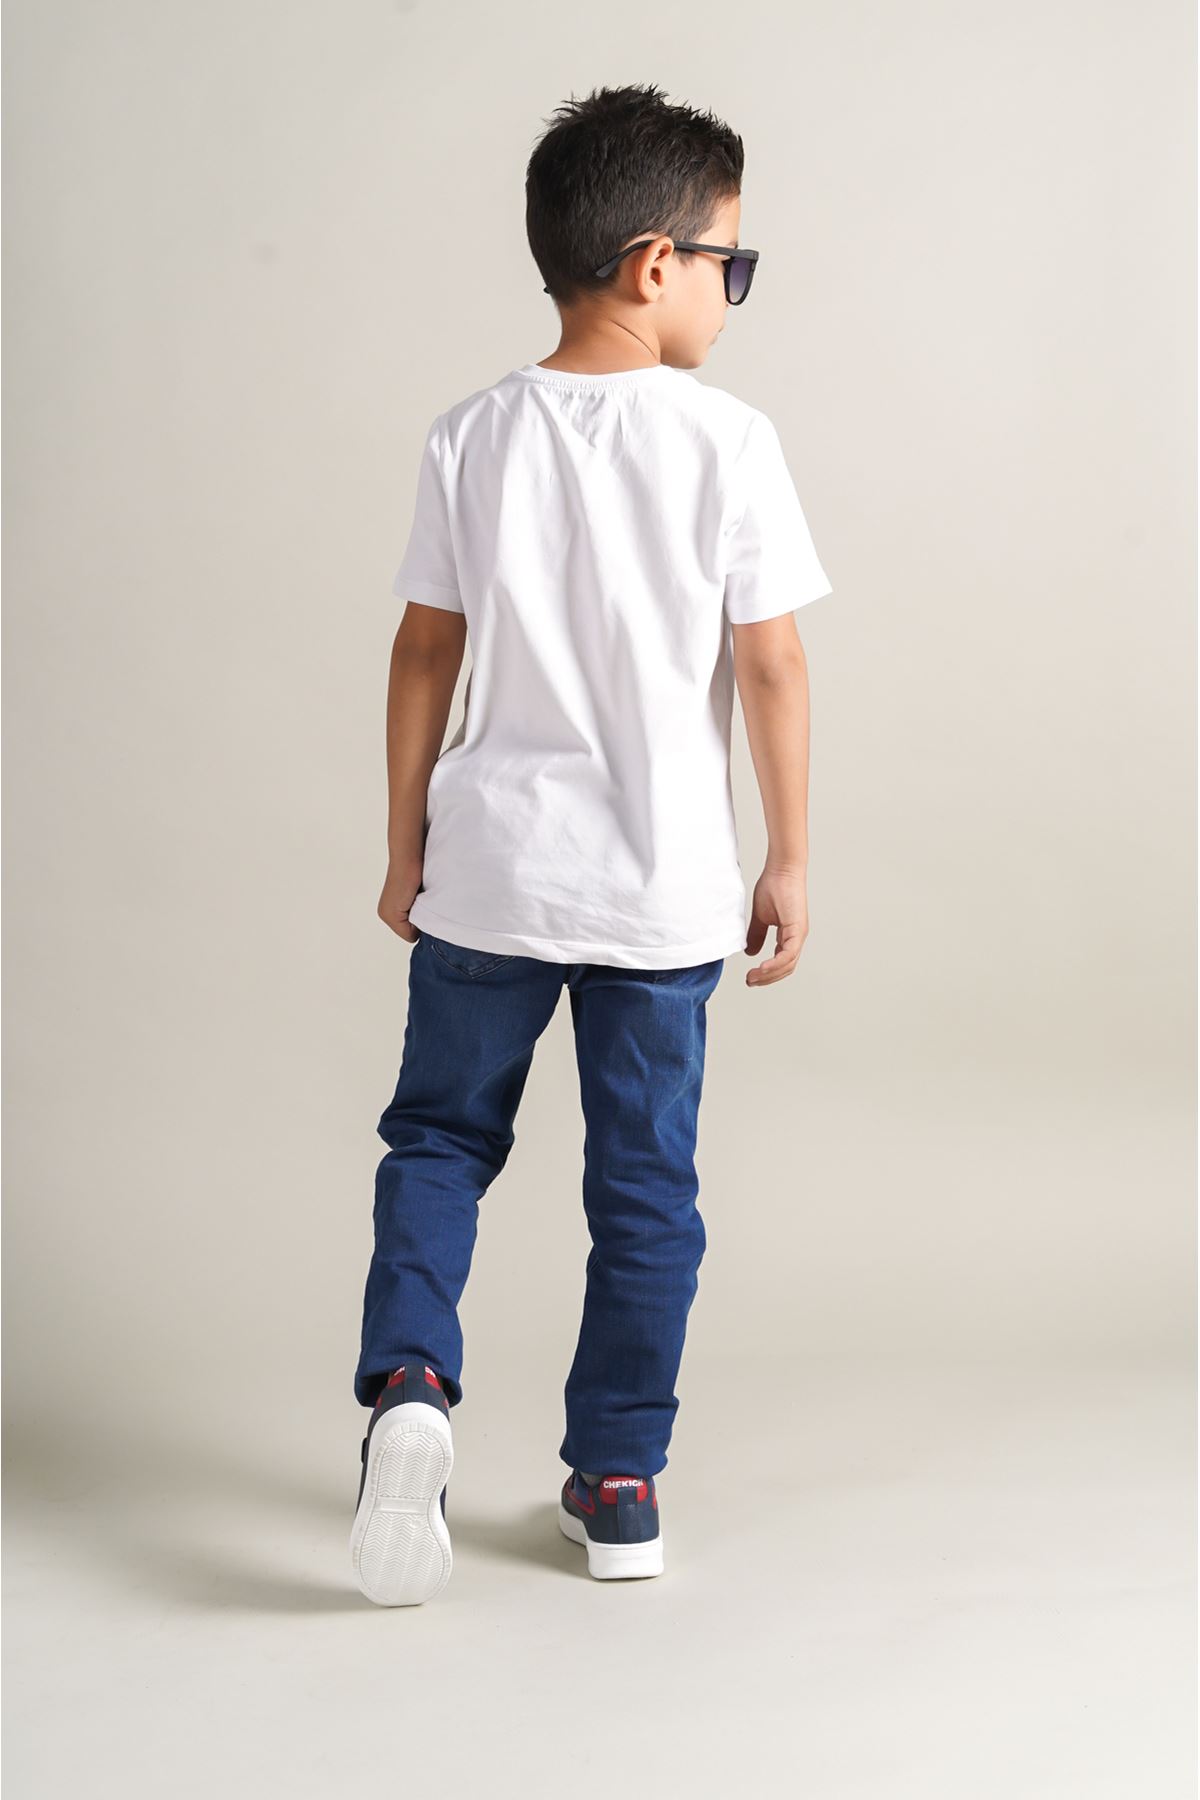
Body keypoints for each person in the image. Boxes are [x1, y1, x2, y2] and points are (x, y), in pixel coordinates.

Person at [349, 82, 833, 1605]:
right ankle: (618, 1482)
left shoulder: (471, 435)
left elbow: (424, 652)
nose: (733, 294)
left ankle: (410, 1389)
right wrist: (789, 855)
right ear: (653, 263)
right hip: (659, 894)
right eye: (731, 265)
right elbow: (772, 665)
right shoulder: (730, 443)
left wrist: (405, 842)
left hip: (489, 873)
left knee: (439, 1144)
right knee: (644, 1195)